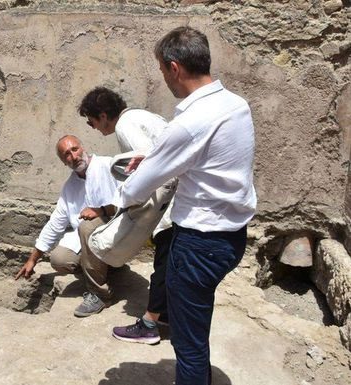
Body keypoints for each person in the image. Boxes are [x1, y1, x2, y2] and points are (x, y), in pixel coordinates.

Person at [116, 27, 257, 384]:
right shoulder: (235, 105)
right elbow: (211, 155)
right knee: (195, 325)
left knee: (187, 342)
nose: (163, 78)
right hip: (231, 237)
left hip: (198, 244)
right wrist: (156, 156)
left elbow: (135, 190)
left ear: (174, 68)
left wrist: (119, 186)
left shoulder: (190, 122)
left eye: (162, 71)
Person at [78, 86, 173, 345]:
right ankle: (164, 316)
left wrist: (128, 203)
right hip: (178, 202)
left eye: (92, 121)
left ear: (104, 115)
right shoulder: (145, 117)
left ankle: (150, 325)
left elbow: (146, 169)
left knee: (164, 266)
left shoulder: (125, 126)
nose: (93, 127)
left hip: (168, 208)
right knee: (170, 264)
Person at [15, 135, 120, 317]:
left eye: (75, 149)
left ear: (83, 148)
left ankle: (100, 294)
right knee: (59, 259)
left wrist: (102, 210)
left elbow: (131, 200)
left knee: (87, 227)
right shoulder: (70, 186)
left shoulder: (108, 166)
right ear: (64, 162)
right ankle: (105, 271)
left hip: (118, 232)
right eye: (67, 155)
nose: (74, 156)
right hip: (88, 239)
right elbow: (56, 223)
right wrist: (33, 258)